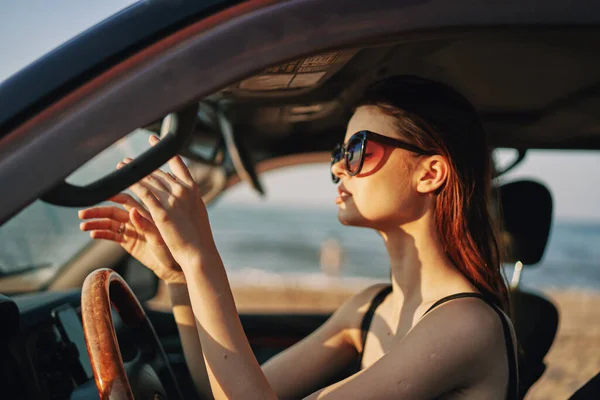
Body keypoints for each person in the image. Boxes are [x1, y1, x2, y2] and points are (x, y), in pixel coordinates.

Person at [78, 76, 518, 399]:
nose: (337, 169)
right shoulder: (370, 307)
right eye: (338, 154)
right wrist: (178, 275)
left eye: (359, 149)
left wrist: (201, 257)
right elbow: (227, 391)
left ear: (431, 172)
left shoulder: (466, 325)